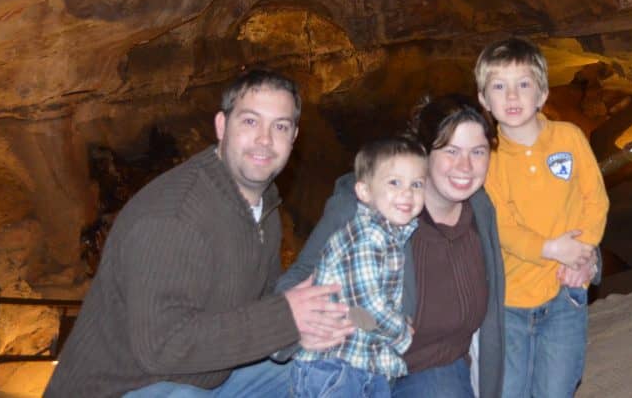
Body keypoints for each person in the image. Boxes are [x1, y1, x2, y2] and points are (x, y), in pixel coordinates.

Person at [46, 69, 354, 397]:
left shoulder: (264, 207)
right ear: (222, 126)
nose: (265, 139)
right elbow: (162, 347)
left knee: (325, 366)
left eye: (280, 126)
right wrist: (284, 318)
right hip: (123, 387)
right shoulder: (174, 215)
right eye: (250, 121)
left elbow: (261, 307)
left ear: (294, 137)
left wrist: (298, 332)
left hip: (206, 379)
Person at [279, 94, 505, 398]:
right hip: (354, 367)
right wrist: (300, 330)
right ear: (424, 152)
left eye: (477, 152)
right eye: (451, 151)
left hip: (434, 366)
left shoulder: (480, 207)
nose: (465, 166)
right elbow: (299, 278)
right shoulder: (367, 205)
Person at [474, 38, 609, 398]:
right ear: (485, 100)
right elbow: (500, 225)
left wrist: (583, 250)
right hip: (510, 304)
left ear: (542, 93)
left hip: (565, 293)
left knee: (556, 388)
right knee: (510, 390)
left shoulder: (569, 138)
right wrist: (550, 249)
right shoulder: (488, 158)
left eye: (523, 84)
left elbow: (594, 198)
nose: (513, 97)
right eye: (499, 87)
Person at [291, 136, 428, 397]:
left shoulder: (390, 236)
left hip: (363, 364)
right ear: (365, 192)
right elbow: (366, 309)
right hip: (336, 367)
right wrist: (401, 333)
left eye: (417, 184)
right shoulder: (366, 238)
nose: (407, 193)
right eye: (394, 182)